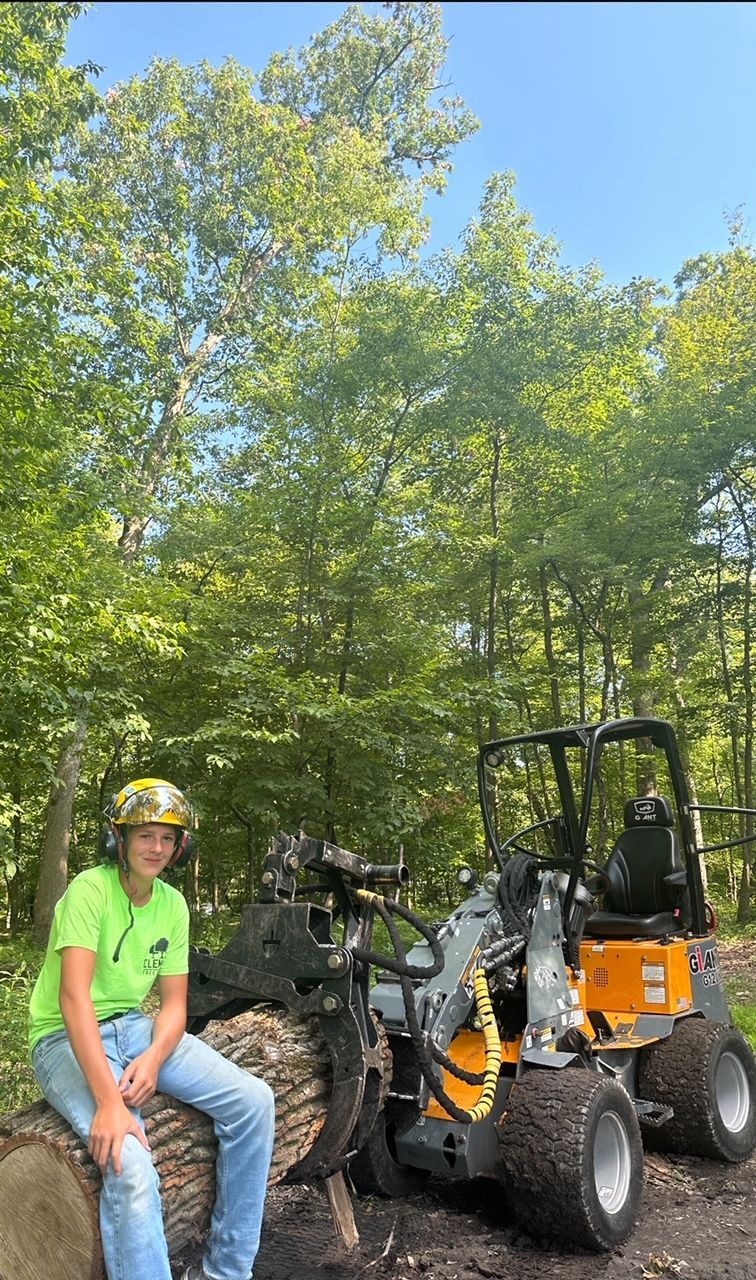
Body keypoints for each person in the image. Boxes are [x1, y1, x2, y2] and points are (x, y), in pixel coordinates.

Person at [28, 777, 275, 1280]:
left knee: (256, 1103)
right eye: (145, 835)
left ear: (181, 847)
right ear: (118, 839)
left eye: (168, 838)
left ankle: (227, 1271)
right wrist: (110, 1104)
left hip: (135, 1029)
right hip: (63, 1038)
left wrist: (155, 1058)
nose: (157, 848)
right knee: (131, 1161)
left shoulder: (173, 906)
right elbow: (73, 1000)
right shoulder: (88, 891)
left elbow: (174, 1006)